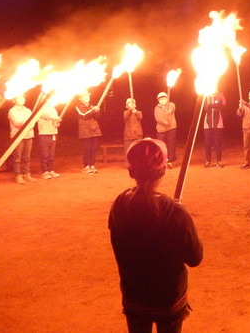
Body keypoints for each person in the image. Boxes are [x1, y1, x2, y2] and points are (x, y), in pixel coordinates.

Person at [109, 138, 203, 333]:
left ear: (131, 170)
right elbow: (195, 258)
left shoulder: (119, 204)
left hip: (134, 295)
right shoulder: (175, 211)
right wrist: (179, 212)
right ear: (164, 169)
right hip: (167, 299)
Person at [8, 95, 37, 185]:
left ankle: (26, 173)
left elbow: (33, 123)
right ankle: (18, 175)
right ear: (14, 100)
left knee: (26, 157)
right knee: (17, 157)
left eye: (23, 98)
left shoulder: (28, 110)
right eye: (19, 98)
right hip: (18, 136)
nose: (22, 99)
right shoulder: (12, 111)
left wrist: (29, 122)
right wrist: (28, 120)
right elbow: (17, 123)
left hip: (29, 135)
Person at [76, 91, 102, 173]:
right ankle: (86, 166)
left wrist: (97, 111)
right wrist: (93, 111)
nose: (87, 97)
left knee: (93, 149)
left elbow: (98, 117)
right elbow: (84, 115)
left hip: (94, 130)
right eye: (85, 96)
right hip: (85, 131)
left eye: (88, 96)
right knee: (87, 149)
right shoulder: (78, 107)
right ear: (80, 98)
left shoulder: (92, 106)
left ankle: (92, 165)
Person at [37, 101, 61, 179]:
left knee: (51, 155)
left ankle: (51, 170)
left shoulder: (53, 109)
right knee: (44, 155)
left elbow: (55, 122)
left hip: (53, 133)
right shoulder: (41, 108)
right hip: (44, 134)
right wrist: (55, 118)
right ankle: (44, 171)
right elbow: (46, 116)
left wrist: (57, 122)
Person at [202, 90, 226, 168]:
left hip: (218, 124)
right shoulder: (206, 95)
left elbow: (222, 106)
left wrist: (214, 104)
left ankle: (219, 161)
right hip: (207, 124)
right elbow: (205, 108)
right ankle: (208, 161)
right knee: (207, 144)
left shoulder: (220, 95)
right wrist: (212, 105)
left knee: (218, 143)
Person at [154, 92, 177, 169]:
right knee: (162, 145)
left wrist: (170, 110)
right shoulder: (156, 108)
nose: (162, 100)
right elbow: (157, 118)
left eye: (164, 99)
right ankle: (162, 161)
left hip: (171, 128)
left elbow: (172, 107)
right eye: (161, 99)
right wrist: (164, 122)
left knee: (171, 144)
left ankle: (170, 161)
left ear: (167, 99)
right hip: (161, 129)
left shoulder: (171, 104)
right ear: (158, 100)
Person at [123, 98, 144, 166]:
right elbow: (126, 117)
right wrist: (130, 110)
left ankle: (138, 163)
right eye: (130, 103)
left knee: (138, 150)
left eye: (133, 103)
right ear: (127, 105)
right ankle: (128, 163)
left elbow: (140, 117)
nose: (131, 104)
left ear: (135, 105)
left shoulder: (139, 112)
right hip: (128, 135)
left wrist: (135, 112)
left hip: (138, 135)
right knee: (128, 150)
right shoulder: (125, 112)